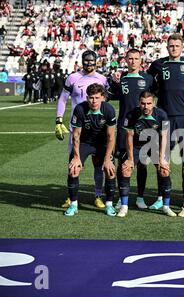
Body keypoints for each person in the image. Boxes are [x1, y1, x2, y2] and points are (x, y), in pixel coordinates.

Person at [147, 33, 184, 210]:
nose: (174, 48)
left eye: (177, 46)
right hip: (164, 116)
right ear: (167, 46)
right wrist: (156, 92)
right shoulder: (158, 64)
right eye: (171, 45)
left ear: (182, 47)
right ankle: (160, 197)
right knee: (163, 158)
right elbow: (148, 82)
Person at [55, 50, 110, 209]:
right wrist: (59, 119)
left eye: (92, 61)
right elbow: (63, 99)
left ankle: (98, 195)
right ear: (82, 61)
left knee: (98, 164)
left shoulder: (102, 79)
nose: (89, 64)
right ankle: (70, 196)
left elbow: (105, 101)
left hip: (97, 129)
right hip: (77, 129)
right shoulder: (72, 77)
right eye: (86, 61)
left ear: (96, 62)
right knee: (73, 163)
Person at [117, 91, 176, 218]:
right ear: (139, 103)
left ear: (153, 103)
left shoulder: (162, 115)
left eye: (149, 103)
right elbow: (129, 137)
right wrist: (131, 159)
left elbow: (164, 137)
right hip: (137, 145)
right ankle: (124, 206)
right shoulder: (131, 114)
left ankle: (166, 206)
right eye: (143, 103)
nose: (146, 106)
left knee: (164, 170)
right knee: (126, 169)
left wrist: (162, 159)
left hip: (155, 144)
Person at [109, 49, 154, 210]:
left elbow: (155, 99)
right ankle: (122, 198)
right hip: (123, 126)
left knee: (142, 163)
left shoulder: (148, 79)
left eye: (136, 58)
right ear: (125, 60)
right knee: (123, 161)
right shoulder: (119, 78)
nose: (133, 61)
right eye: (130, 58)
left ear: (141, 60)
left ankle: (140, 197)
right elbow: (107, 96)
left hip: (144, 127)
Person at [63, 83, 117, 217]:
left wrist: (107, 159)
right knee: (73, 169)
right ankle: (74, 204)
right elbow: (76, 136)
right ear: (87, 98)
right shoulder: (80, 109)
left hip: (103, 143)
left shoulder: (109, 110)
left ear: (103, 97)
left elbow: (111, 137)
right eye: (91, 98)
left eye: (97, 98)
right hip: (85, 143)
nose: (94, 101)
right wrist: (76, 157)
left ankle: (109, 205)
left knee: (110, 171)